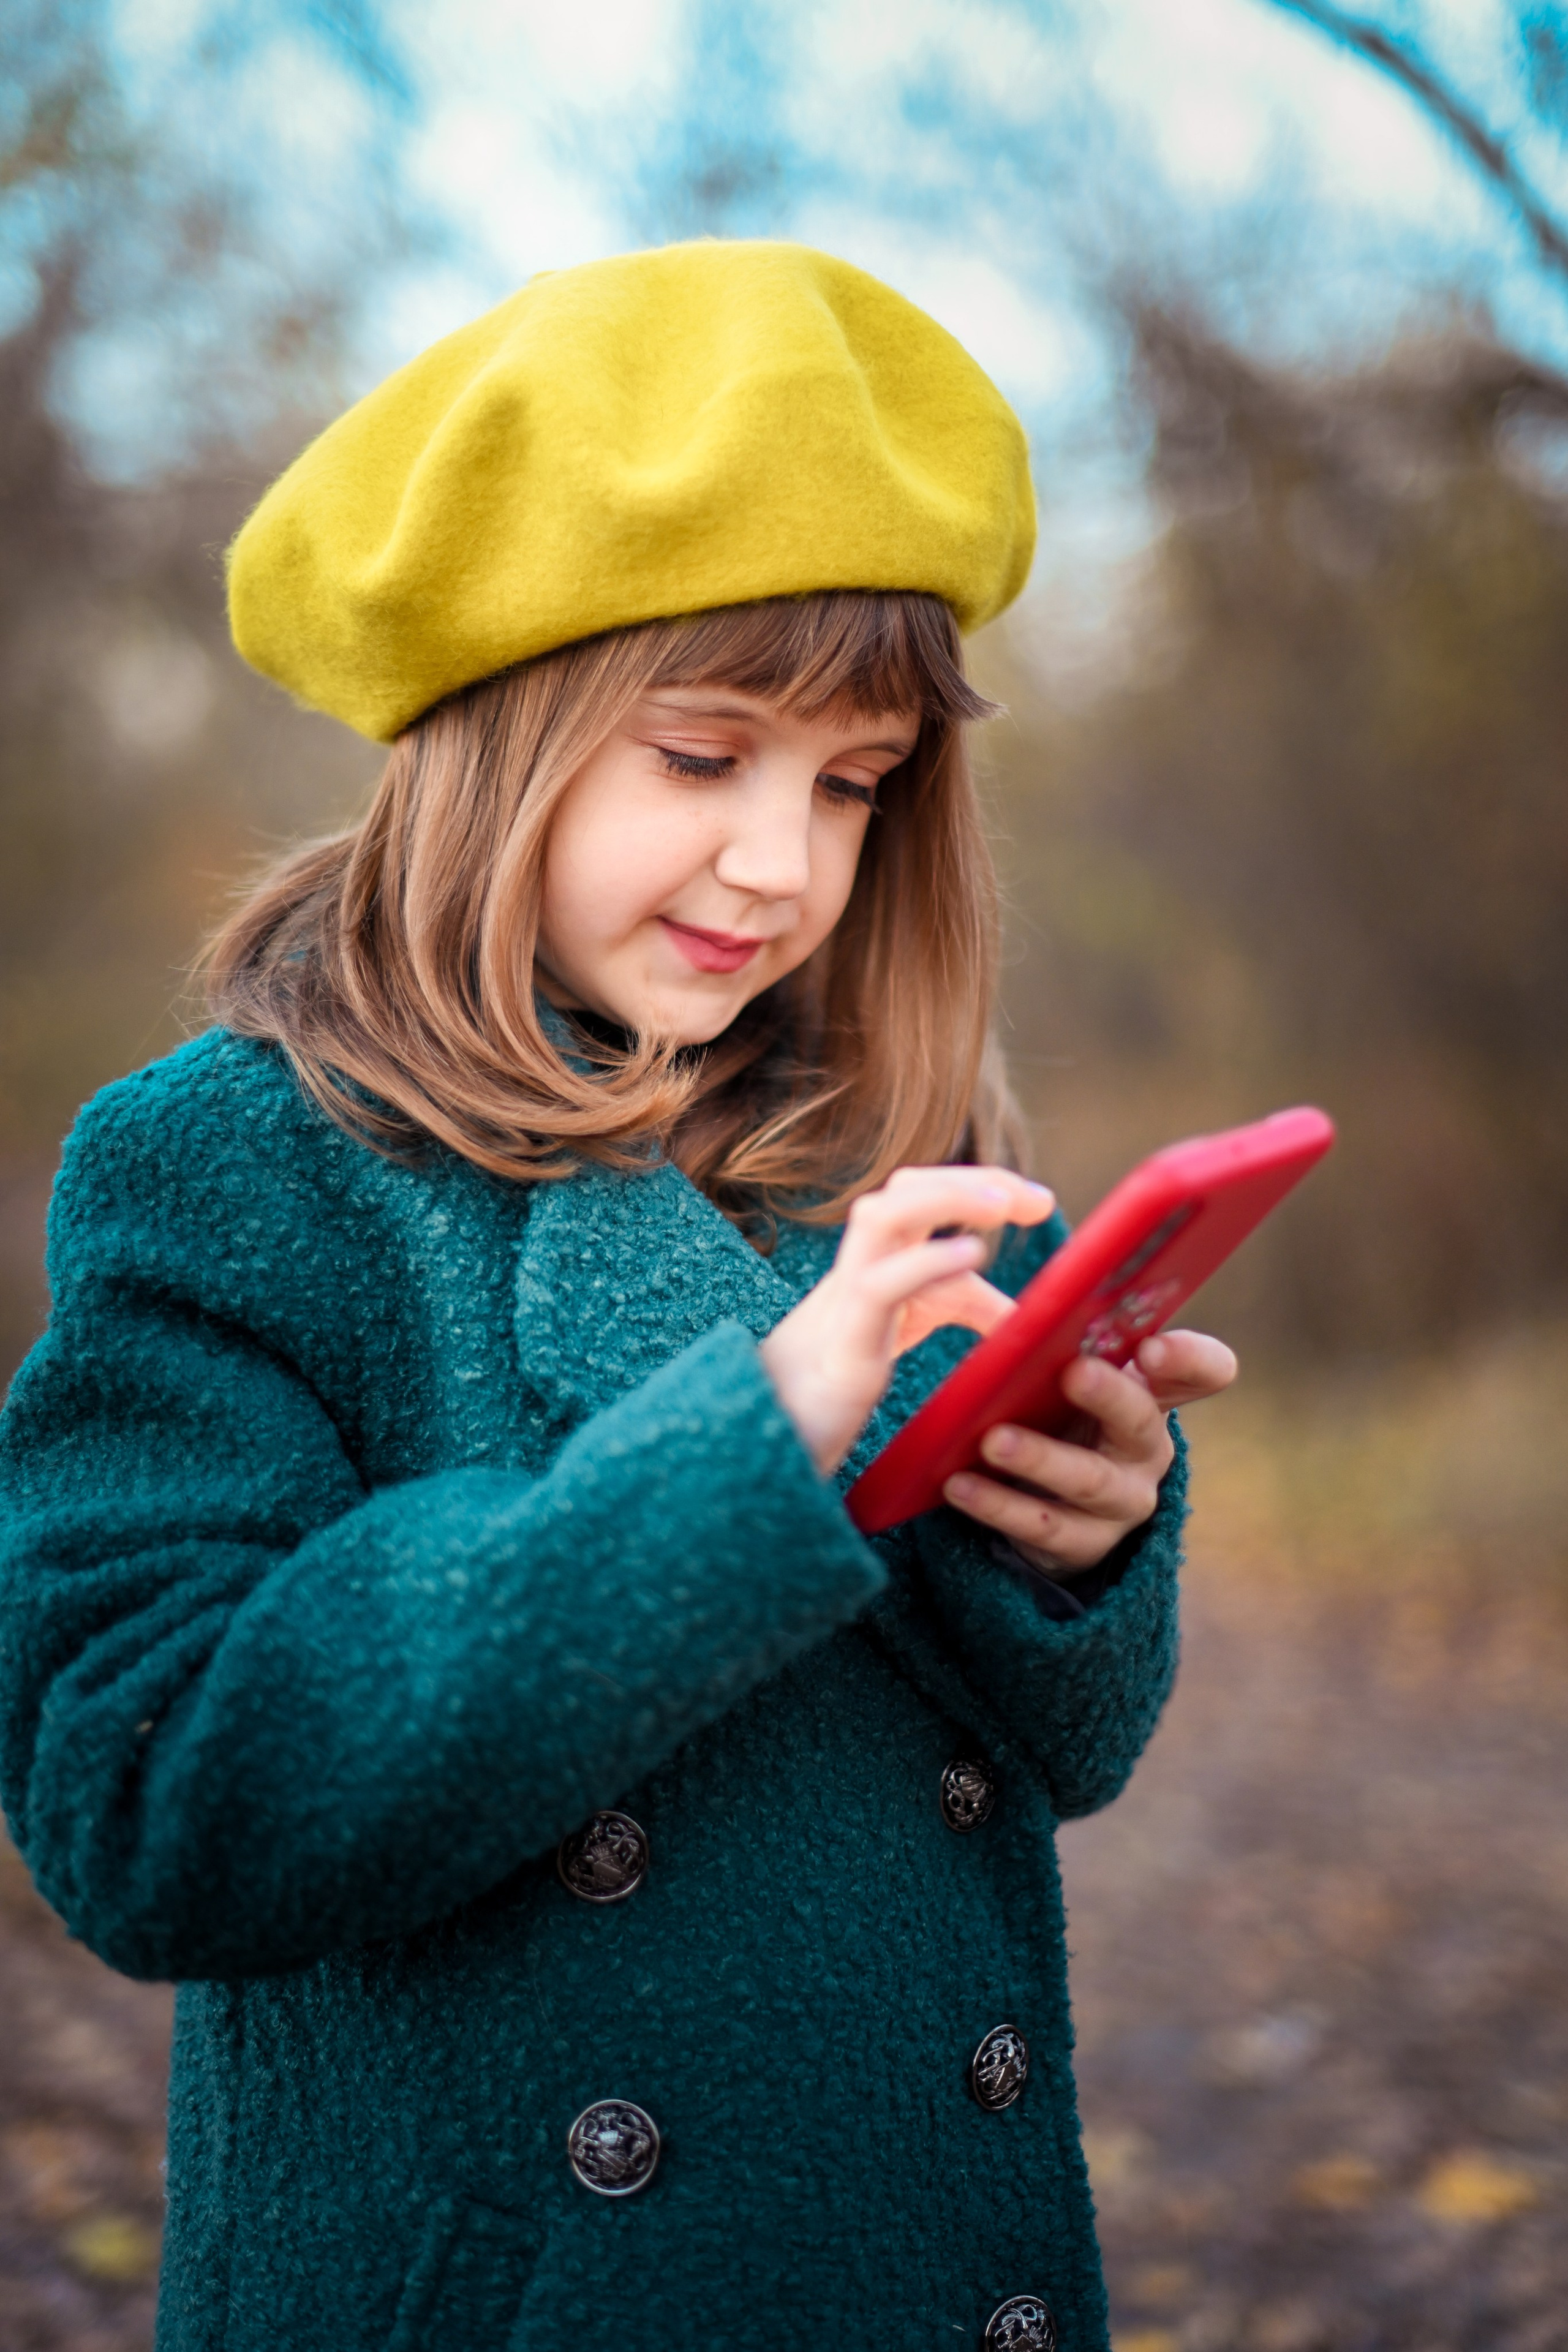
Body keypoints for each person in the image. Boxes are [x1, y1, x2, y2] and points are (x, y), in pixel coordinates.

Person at [0, 241, 1235, 2352]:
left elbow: (1068, 1760)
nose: (783, 863)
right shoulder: (238, 1166)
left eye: (849, 784)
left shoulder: (905, 1170)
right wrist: (741, 1454)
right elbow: (140, 1806)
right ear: (496, 733)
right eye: (702, 756)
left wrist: (1083, 1548)